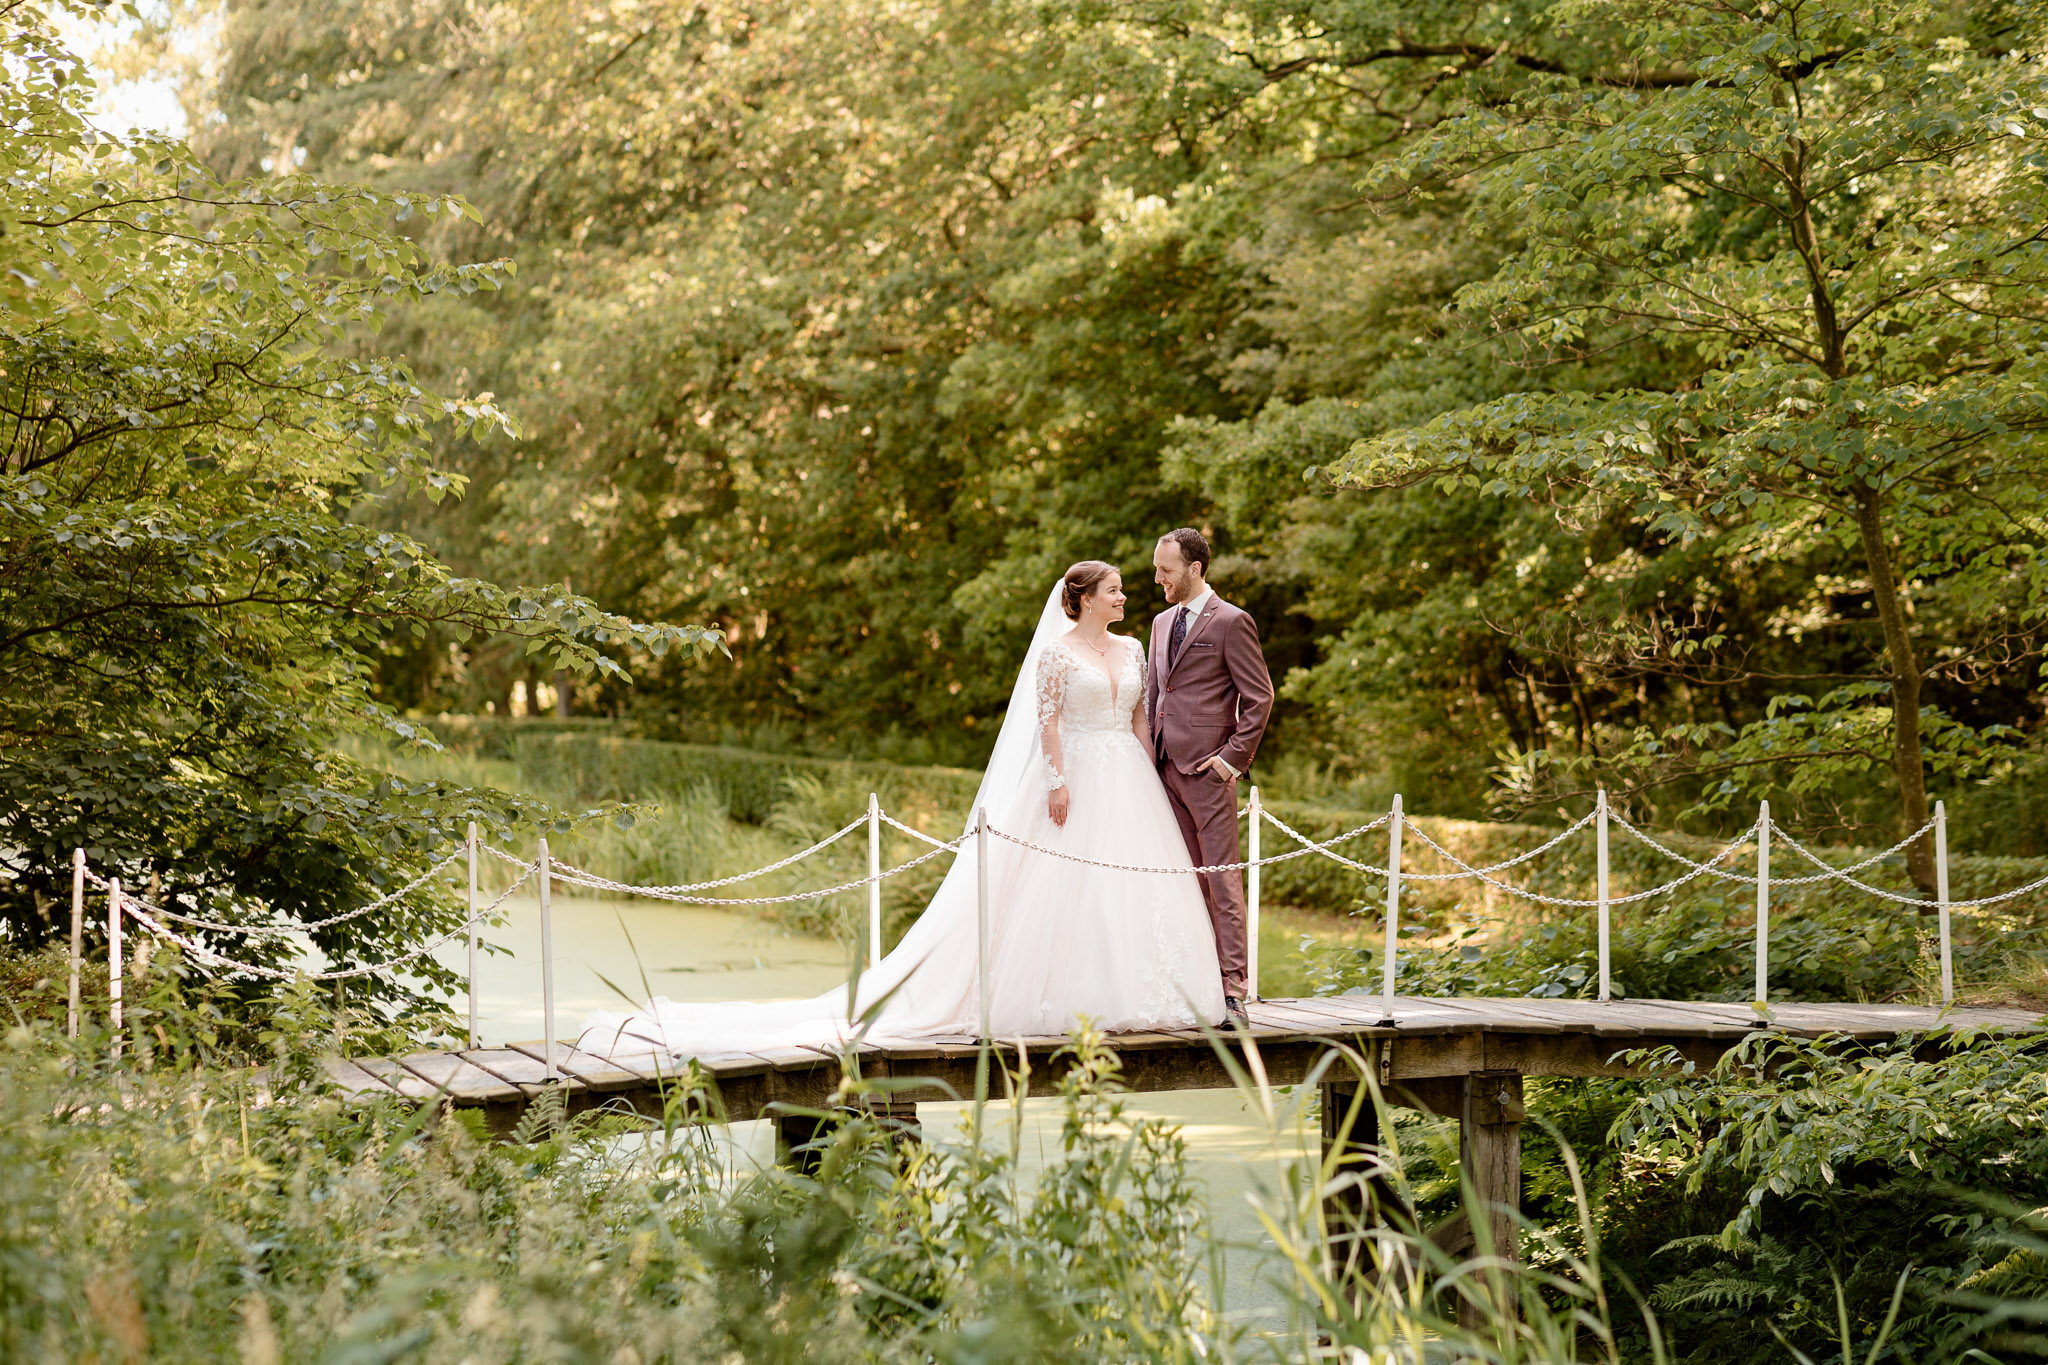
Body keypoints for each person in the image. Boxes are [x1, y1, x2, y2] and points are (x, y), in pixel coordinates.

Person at [577, 561, 1224, 1060]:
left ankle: (1145, 993)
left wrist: (1151, 775)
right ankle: (1068, 993)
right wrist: (1055, 781)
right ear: (1082, 599)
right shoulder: (1057, 655)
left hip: (1128, 778)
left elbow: (1140, 718)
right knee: (1060, 887)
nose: (1123, 596)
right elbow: (1047, 723)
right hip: (1074, 775)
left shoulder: (1133, 650)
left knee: (1127, 887)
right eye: (1113, 589)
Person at [1148, 528, 1275, 1026]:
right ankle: (1187, 982)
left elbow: (1259, 697)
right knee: (1178, 882)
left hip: (1208, 773)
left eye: (1166, 570)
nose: (1158, 578)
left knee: (1221, 882)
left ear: (1195, 569)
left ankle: (1232, 992)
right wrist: (1146, 760)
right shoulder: (1160, 623)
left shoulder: (1232, 622)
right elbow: (1159, 693)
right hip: (1161, 771)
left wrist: (1231, 759)